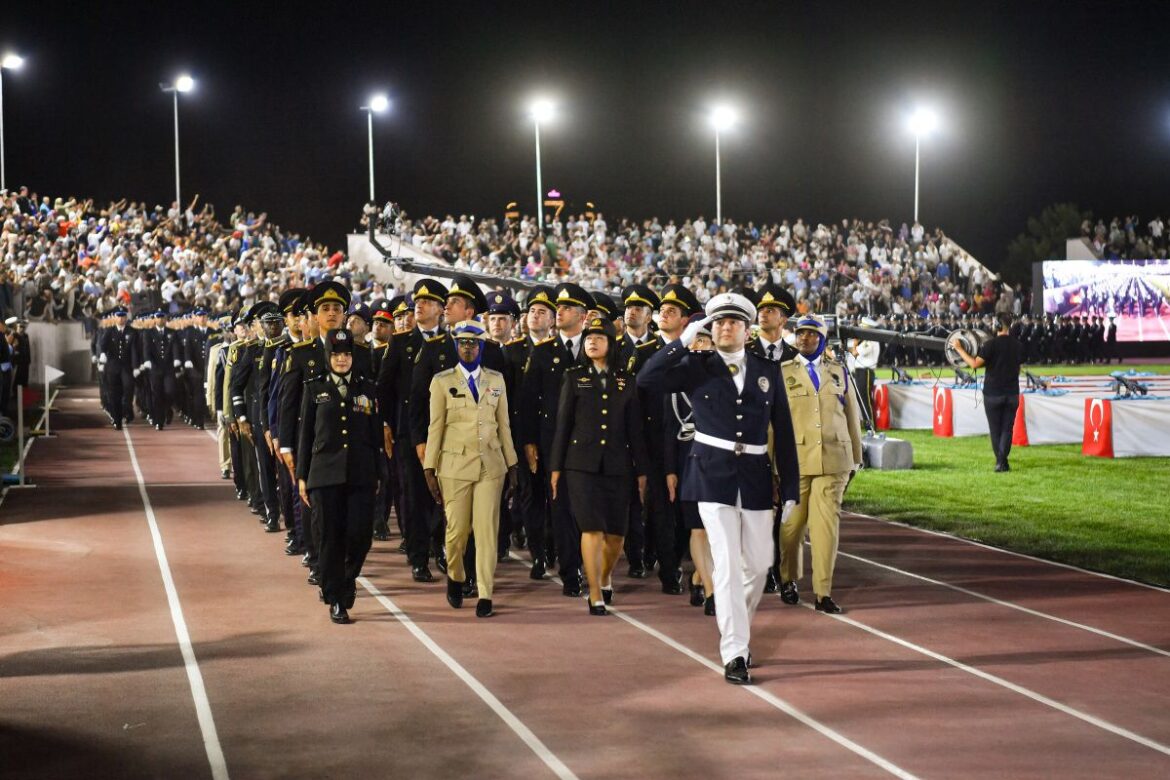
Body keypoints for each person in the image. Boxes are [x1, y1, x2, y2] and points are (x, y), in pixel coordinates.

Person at [637, 292, 800, 685]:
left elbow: (783, 430)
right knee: (726, 564)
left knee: (758, 566)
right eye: (720, 323)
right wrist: (681, 341)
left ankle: (736, 626)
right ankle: (735, 651)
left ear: (747, 330)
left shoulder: (767, 369)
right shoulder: (697, 366)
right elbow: (646, 379)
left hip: (755, 474)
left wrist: (791, 488)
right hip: (711, 473)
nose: (726, 328)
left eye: (734, 323)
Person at [549, 315, 648, 615]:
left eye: (599, 338)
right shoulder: (574, 377)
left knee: (616, 534)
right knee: (591, 528)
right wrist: (556, 467)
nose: (592, 342)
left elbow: (635, 430)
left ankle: (604, 577)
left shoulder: (626, 380)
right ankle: (594, 593)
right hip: (580, 465)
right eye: (589, 338)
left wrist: (642, 470)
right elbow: (563, 425)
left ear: (611, 344)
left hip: (619, 465)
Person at [422, 321, 519, 618]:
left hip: (491, 465)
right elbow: (435, 427)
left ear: (482, 346)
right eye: (463, 343)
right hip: (454, 466)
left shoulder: (496, 380)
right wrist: (429, 467)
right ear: (456, 346)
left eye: (473, 343)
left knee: (487, 531)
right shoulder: (441, 381)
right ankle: (456, 575)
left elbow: (504, 425)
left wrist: (512, 463)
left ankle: (485, 593)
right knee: (457, 532)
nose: (468, 348)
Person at [777, 315, 864, 615]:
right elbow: (775, 423)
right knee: (791, 529)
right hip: (796, 462)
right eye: (800, 333)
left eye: (812, 334)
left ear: (822, 339)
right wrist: (773, 464)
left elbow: (852, 416)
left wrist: (856, 459)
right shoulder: (783, 372)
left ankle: (823, 592)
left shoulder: (839, 372)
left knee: (826, 528)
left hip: (834, 460)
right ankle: (788, 577)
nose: (804, 338)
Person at [296, 328, 381, 624]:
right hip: (324, 474)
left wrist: (379, 472)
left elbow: (375, 434)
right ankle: (335, 598)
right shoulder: (314, 389)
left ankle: (347, 577)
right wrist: (302, 475)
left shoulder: (367, 388)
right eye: (336, 355)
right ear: (328, 357)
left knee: (360, 535)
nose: (342, 359)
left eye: (346, 354)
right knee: (329, 537)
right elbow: (305, 436)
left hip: (361, 473)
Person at [519, 282, 596, 596]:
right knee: (561, 509)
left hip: (590, 444)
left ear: (582, 315)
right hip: (553, 444)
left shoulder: (596, 348)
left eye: (566, 308)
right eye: (559, 307)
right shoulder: (543, 352)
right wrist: (529, 441)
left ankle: (591, 566)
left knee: (588, 509)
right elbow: (528, 402)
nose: (559, 311)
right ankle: (571, 571)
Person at [664, 317, 717, 616]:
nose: (699, 345)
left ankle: (698, 576)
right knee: (698, 528)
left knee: (716, 530)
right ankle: (711, 591)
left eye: (704, 339)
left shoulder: (725, 378)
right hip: (687, 463)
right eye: (694, 339)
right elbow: (668, 428)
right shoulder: (677, 379)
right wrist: (670, 470)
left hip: (719, 463)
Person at [950, 311, 1025, 472]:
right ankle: (1002, 462)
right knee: (1007, 429)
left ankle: (1000, 462)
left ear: (997, 325)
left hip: (993, 393)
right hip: (1012, 393)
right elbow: (1018, 368)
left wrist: (959, 349)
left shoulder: (990, 345)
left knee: (995, 429)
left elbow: (974, 364)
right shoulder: (1018, 345)